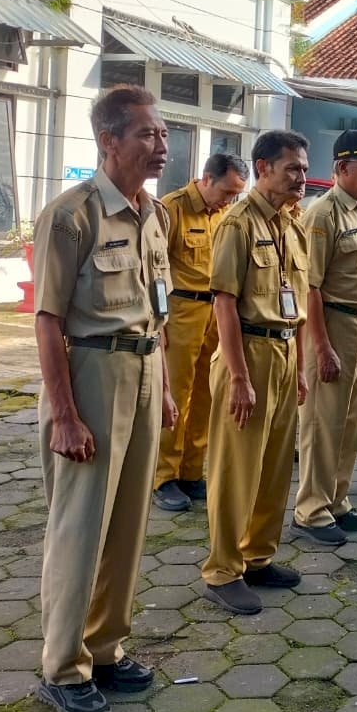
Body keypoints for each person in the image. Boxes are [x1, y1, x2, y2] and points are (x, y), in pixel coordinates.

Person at [32, 86, 179, 712]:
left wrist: (166, 387)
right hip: (90, 373)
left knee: (126, 525)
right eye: (147, 134)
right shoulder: (73, 215)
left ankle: (106, 648)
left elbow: (160, 309)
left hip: (144, 369)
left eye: (163, 133)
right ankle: (63, 666)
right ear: (109, 141)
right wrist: (65, 415)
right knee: (80, 527)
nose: (162, 145)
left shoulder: (154, 215)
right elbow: (47, 321)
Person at [201, 131, 311, 616]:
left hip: (285, 354)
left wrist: (301, 367)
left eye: (304, 168)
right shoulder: (238, 224)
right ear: (263, 168)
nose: (301, 177)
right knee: (235, 467)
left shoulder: (293, 224)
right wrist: (240, 377)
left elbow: (300, 306)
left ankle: (258, 556)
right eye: (292, 168)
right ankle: (223, 568)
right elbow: (223, 301)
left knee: (274, 466)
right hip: (247, 352)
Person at [291, 131, 357, 546]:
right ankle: (311, 509)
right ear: (340, 168)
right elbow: (310, 287)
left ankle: (337, 499)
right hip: (333, 325)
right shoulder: (322, 214)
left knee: (350, 422)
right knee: (322, 422)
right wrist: (321, 345)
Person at [152, 153, 249, 513]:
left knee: (206, 395)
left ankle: (192, 471)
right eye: (226, 191)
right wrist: (158, 322)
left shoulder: (225, 214)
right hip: (181, 311)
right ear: (205, 179)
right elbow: (155, 271)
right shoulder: (172, 209)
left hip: (216, 312)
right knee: (174, 396)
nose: (229, 200)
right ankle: (164, 476)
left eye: (236, 195)